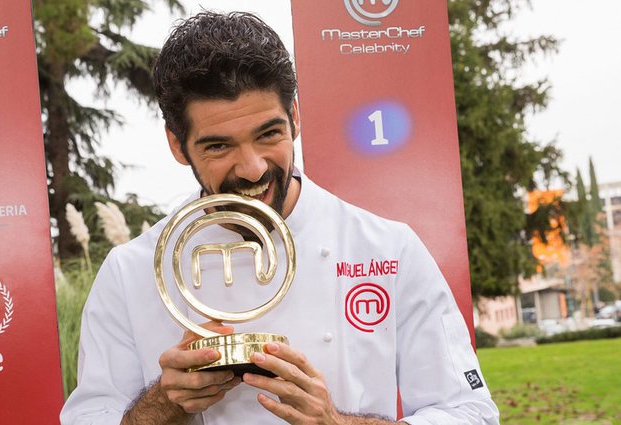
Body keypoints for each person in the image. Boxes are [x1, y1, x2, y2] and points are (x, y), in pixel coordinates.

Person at [61, 11, 500, 425]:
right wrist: (164, 403)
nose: (252, 168)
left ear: (294, 117)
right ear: (178, 146)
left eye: (269, 133)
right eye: (218, 146)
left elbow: (470, 413)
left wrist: (335, 421)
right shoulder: (131, 271)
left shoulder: (387, 249)